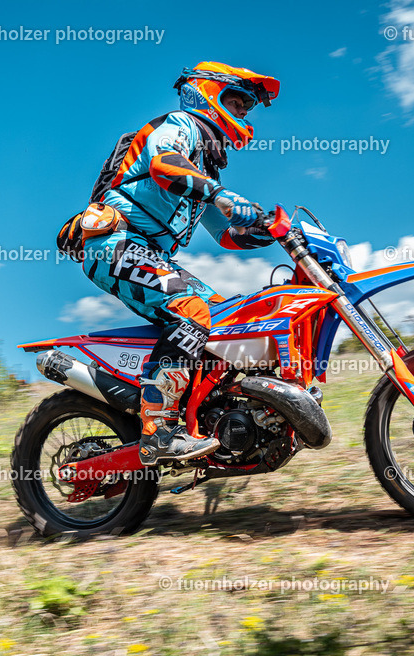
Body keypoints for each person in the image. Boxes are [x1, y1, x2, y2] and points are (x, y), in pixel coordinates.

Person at [65, 61, 280, 465]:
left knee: (227, 317)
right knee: (192, 311)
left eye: (247, 106)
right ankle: (159, 432)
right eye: (237, 100)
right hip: (116, 243)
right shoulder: (179, 126)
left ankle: (210, 414)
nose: (243, 112)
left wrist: (276, 231)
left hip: (149, 252)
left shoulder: (204, 167)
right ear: (208, 92)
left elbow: (226, 234)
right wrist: (220, 195)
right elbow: (164, 166)